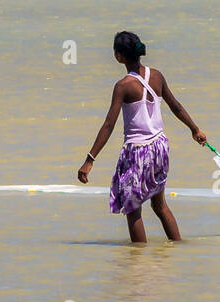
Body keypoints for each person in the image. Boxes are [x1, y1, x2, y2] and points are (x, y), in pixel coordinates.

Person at [77, 31, 207, 242]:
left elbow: (109, 124)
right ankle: (178, 247)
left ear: (118, 56)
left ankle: (138, 263)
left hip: (138, 151)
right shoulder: (156, 76)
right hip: (160, 147)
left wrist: (90, 160)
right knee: (160, 205)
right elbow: (176, 106)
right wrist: (194, 129)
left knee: (132, 209)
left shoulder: (123, 86)